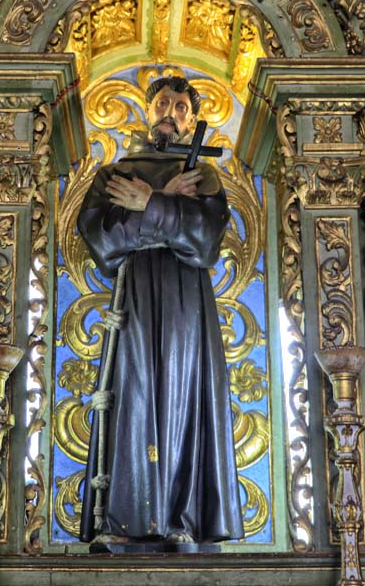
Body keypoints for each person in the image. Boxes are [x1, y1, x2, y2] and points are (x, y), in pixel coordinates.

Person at [77, 76, 244, 545]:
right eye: (163, 103)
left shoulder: (203, 176)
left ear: (192, 120)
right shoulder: (115, 174)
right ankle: (125, 522)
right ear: (148, 110)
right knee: (132, 392)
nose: (171, 112)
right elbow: (103, 239)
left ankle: (179, 519)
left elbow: (206, 242)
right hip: (132, 294)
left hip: (186, 299)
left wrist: (149, 203)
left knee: (181, 392)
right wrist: (166, 209)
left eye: (181, 106)